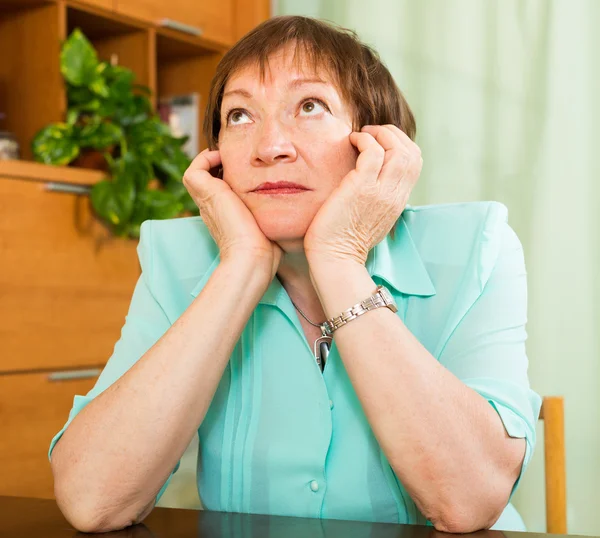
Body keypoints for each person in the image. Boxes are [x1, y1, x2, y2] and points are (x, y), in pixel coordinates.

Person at [49, 15, 541, 534]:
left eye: (309, 106)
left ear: (375, 143)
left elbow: (468, 501)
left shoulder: (474, 246)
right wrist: (241, 265)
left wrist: (338, 257)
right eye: (239, 115)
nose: (269, 146)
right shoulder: (177, 257)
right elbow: (93, 499)